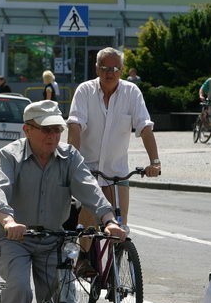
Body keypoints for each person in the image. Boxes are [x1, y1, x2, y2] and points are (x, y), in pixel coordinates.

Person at [0, 100, 126, 303]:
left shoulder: (69, 156)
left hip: (52, 240)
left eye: (57, 130)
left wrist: (109, 220)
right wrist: (9, 221)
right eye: (45, 130)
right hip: (14, 239)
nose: (53, 136)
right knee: (20, 287)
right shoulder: (8, 156)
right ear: (27, 129)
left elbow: (90, 189)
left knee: (61, 302)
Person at [67, 47, 161, 229]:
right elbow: (75, 125)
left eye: (115, 68)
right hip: (88, 171)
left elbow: (145, 127)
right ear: (96, 69)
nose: (110, 73)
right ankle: (84, 257)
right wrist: (72, 162)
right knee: (86, 227)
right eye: (105, 68)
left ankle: (116, 257)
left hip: (117, 173)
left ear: (123, 70)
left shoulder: (131, 92)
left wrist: (155, 162)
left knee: (119, 227)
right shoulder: (85, 91)